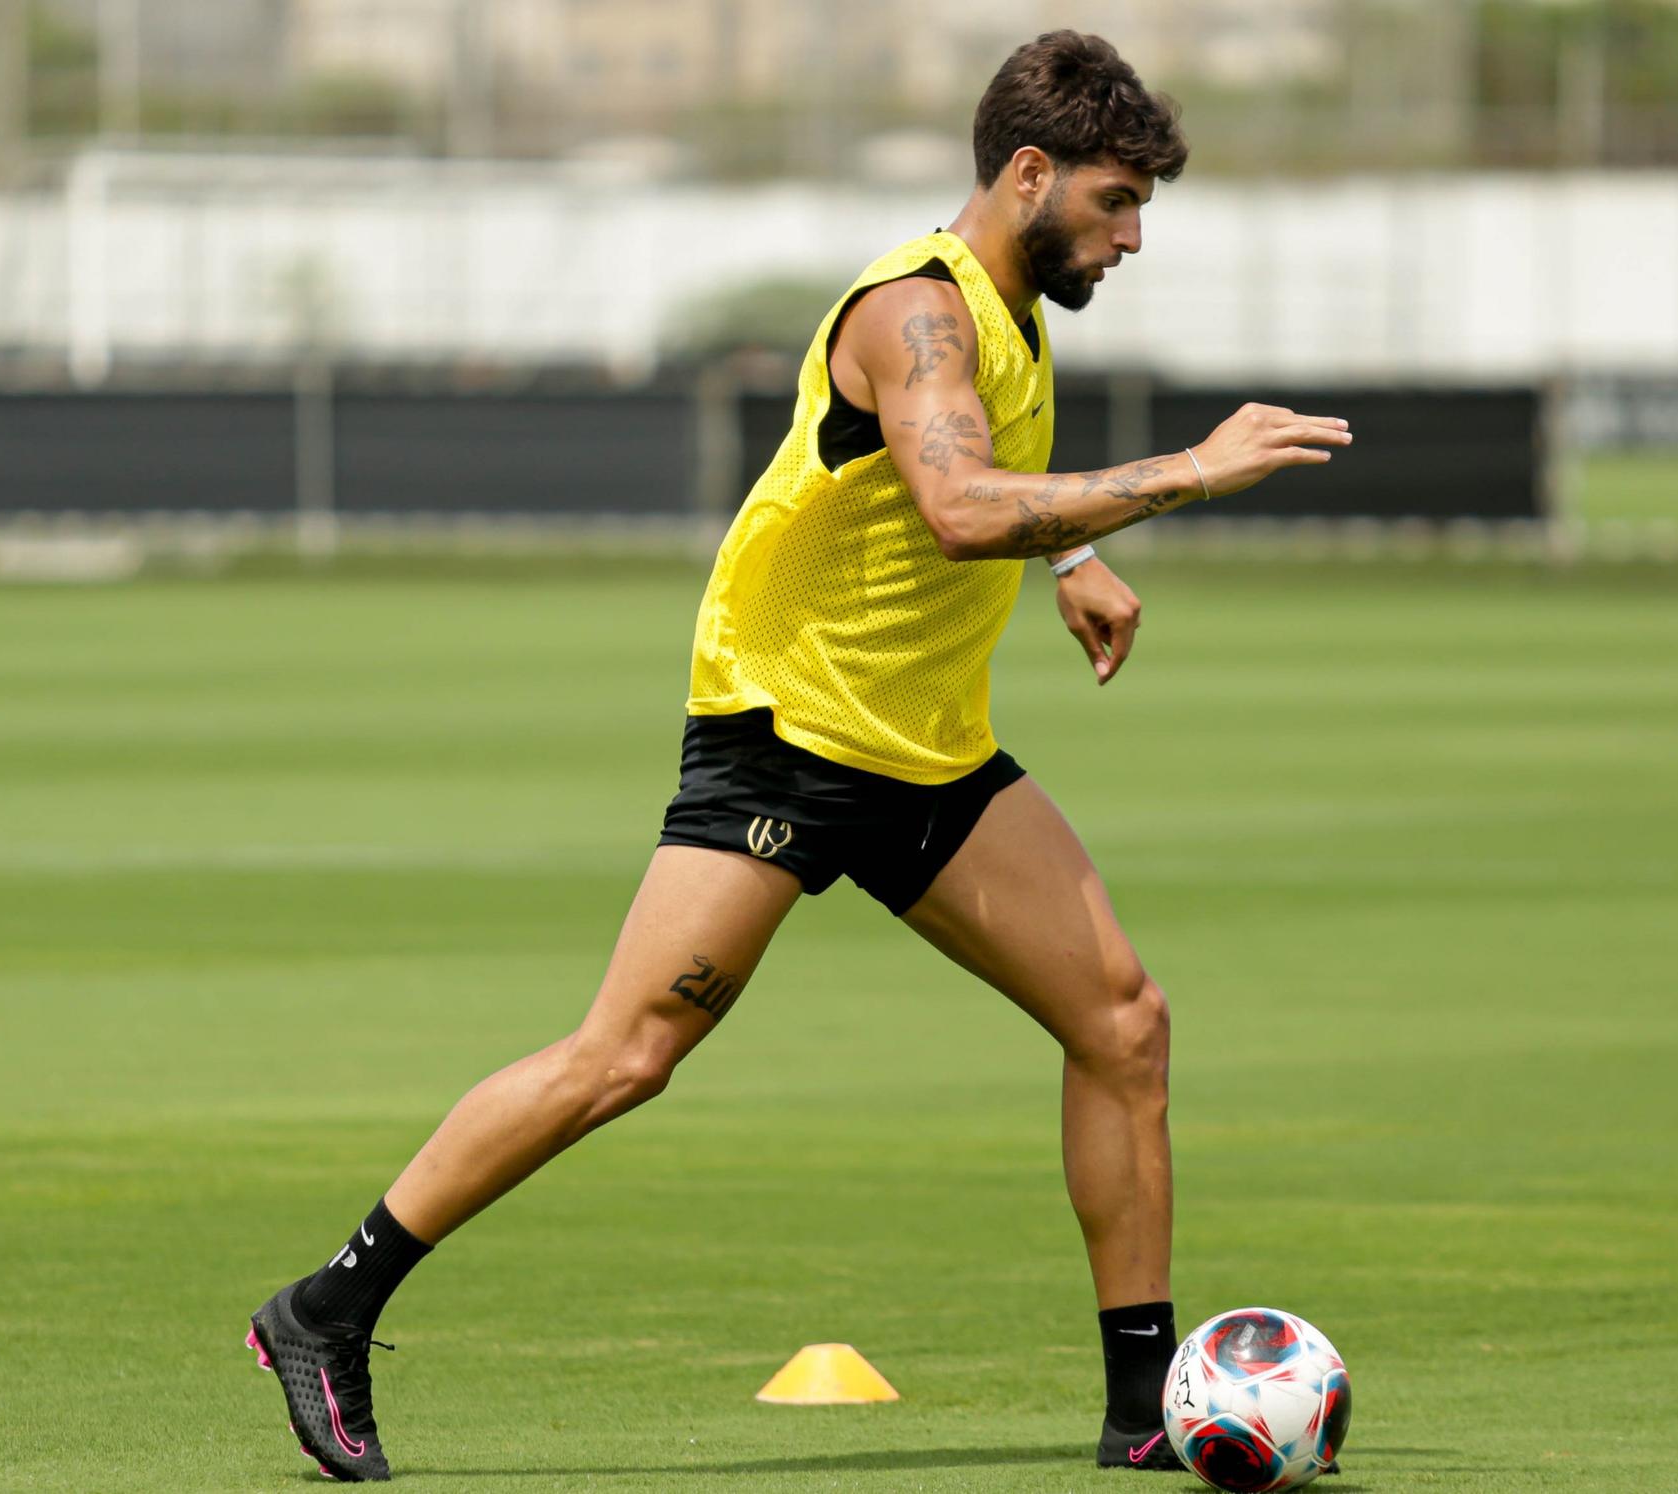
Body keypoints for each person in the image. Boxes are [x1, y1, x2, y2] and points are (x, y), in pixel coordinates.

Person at [245, 29, 1352, 1482]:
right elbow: (956, 502)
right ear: (1029, 173)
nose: (1133, 235)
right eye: (1115, 200)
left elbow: (977, 467)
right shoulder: (918, 316)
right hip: (783, 743)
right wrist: (1189, 472)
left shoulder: (1014, 317)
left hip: (925, 754)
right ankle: (324, 1308)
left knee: (1125, 1024)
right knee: (624, 1057)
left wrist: (1074, 549)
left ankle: (1145, 1409)